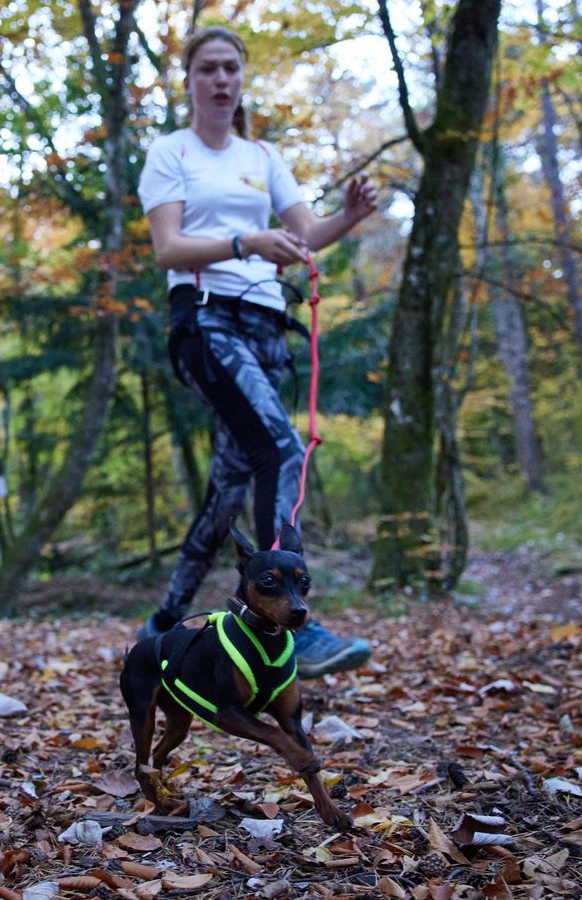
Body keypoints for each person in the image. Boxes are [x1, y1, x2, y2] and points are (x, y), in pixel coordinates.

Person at [135, 25, 378, 678]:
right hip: (205, 318)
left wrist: (348, 217)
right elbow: (167, 248)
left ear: (241, 80)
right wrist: (246, 242)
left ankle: (164, 623)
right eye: (208, 68)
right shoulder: (171, 151)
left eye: (231, 69)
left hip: (267, 324)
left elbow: (305, 235)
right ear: (190, 80)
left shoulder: (262, 156)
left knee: (230, 485)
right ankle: (287, 619)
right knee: (281, 447)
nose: (221, 79)